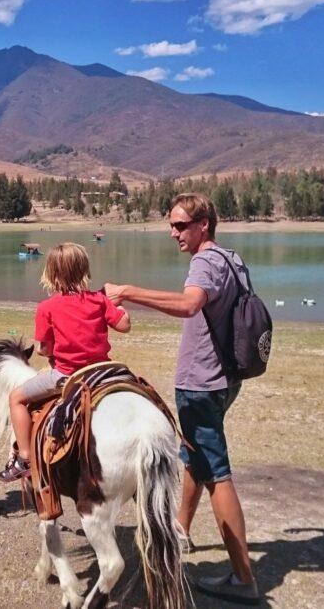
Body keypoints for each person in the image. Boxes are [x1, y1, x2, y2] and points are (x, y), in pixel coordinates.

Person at [105, 193, 260, 605]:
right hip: (226, 379)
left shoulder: (205, 262)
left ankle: (244, 578)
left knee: (217, 474)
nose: (173, 233)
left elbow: (190, 305)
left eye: (180, 225)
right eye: (171, 225)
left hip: (202, 384)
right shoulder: (233, 259)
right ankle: (180, 531)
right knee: (193, 455)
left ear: (203, 224)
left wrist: (129, 291)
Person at [0, 242, 131, 482]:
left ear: (51, 273)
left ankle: (24, 458)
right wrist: (119, 305)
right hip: (103, 373)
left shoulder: (46, 307)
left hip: (66, 375)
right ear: (84, 270)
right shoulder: (100, 301)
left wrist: (48, 349)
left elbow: (44, 349)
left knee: (16, 398)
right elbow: (125, 325)